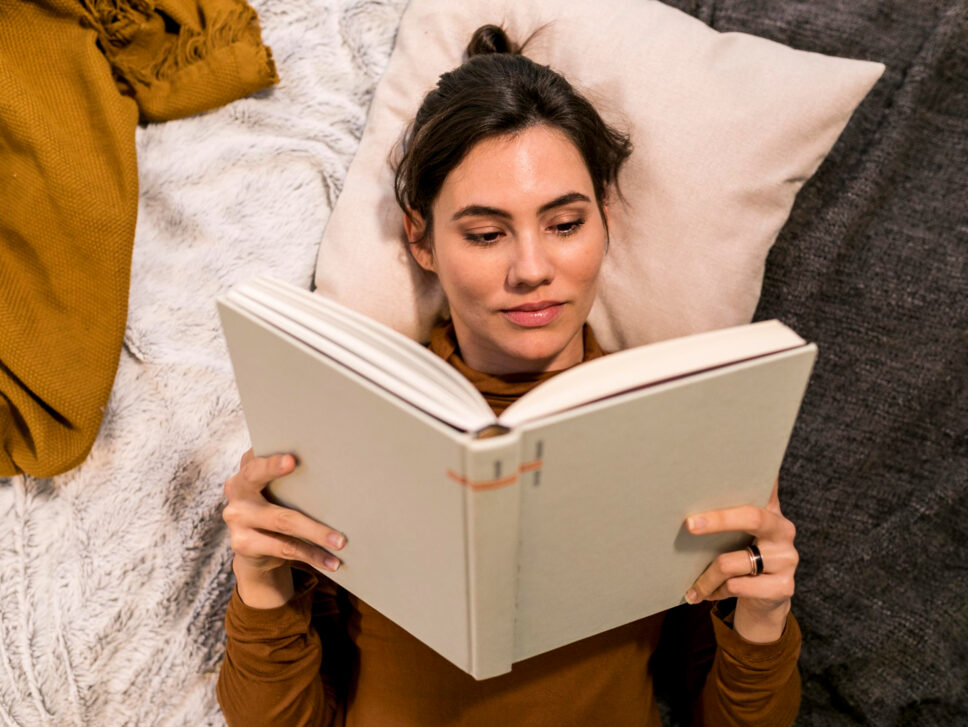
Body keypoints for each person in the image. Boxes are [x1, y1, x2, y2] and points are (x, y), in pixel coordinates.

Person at [216, 24, 801, 727]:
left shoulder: (684, 423)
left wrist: (763, 620)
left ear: (605, 222)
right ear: (421, 239)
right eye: (487, 234)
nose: (531, 269)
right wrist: (261, 585)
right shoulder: (348, 418)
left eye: (563, 224)